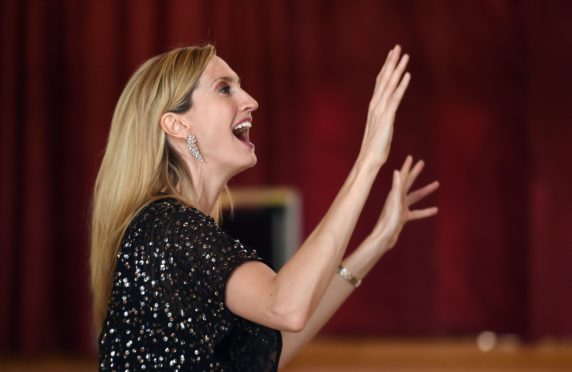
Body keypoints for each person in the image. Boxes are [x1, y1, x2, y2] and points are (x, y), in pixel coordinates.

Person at [91, 43, 439, 371]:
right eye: (224, 89)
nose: (251, 101)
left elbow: (271, 348)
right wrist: (368, 161)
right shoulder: (166, 229)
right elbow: (286, 307)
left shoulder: (180, 232)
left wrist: (379, 240)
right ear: (178, 125)